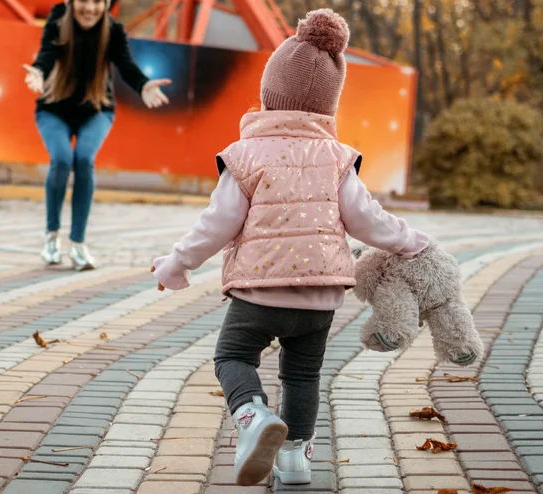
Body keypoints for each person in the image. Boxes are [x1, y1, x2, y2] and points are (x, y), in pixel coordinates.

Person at [151, 8, 430, 488]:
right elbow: (368, 220)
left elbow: (218, 223)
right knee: (302, 377)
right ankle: (296, 459)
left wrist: (177, 264)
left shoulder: (245, 155)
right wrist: (412, 243)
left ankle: (252, 416)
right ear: (328, 105)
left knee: (232, 358)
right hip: (320, 296)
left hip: (259, 292)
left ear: (268, 94)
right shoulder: (338, 159)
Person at [23, 0, 171, 271]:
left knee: (83, 159)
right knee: (62, 159)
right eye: (83, 0)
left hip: (96, 111)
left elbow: (126, 66)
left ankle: (78, 243)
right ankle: (51, 237)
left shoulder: (113, 31)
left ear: (106, 5)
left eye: (97, 2)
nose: (89, 8)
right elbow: (47, 53)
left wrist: (143, 85)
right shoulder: (58, 19)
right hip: (54, 110)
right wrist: (39, 71)